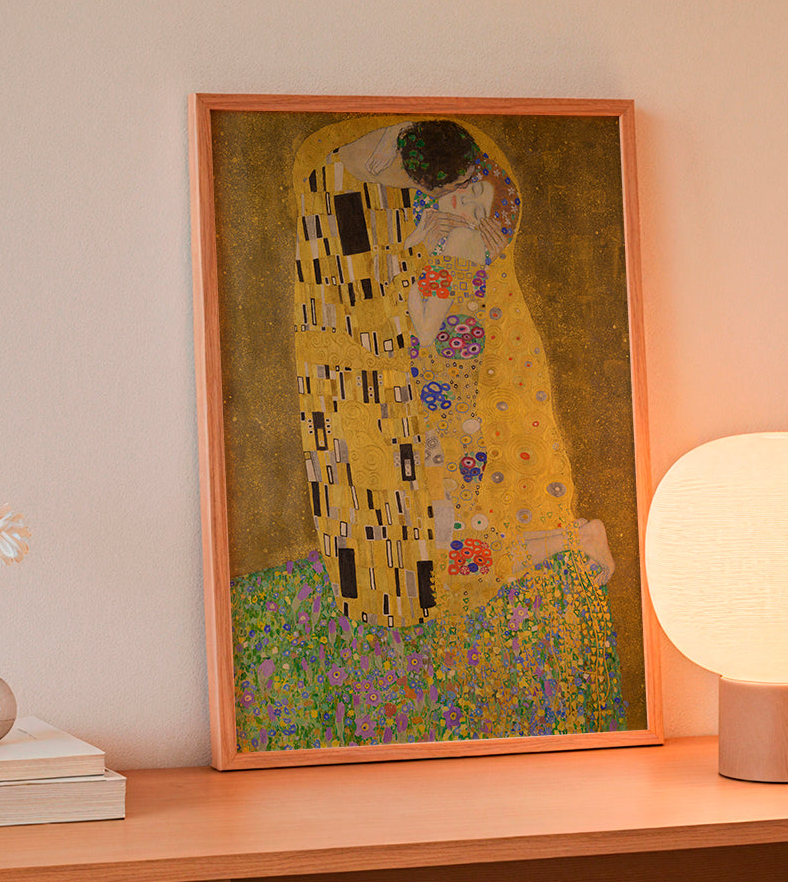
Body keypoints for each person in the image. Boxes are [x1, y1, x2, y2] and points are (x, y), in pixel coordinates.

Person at [229, 115, 628, 750]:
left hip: (446, 403)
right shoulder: (476, 226)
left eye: (451, 195)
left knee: (456, 540)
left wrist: (417, 249)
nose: (452, 202)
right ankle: (574, 539)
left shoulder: (453, 249)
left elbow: (419, 325)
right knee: (460, 532)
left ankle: (574, 541)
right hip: (455, 396)